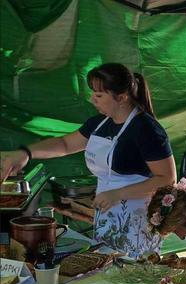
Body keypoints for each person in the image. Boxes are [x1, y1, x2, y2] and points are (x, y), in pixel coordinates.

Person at [0, 63, 176, 258]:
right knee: (105, 271)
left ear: (122, 97)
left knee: (134, 274)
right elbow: (65, 144)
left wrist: (118, 194)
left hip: (138, 221)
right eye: (93, 93)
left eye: (99, 95)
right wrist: (25, 153)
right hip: (107, 216)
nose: (93, 99)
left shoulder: (146, 129)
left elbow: (167, 179)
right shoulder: (100, 123)